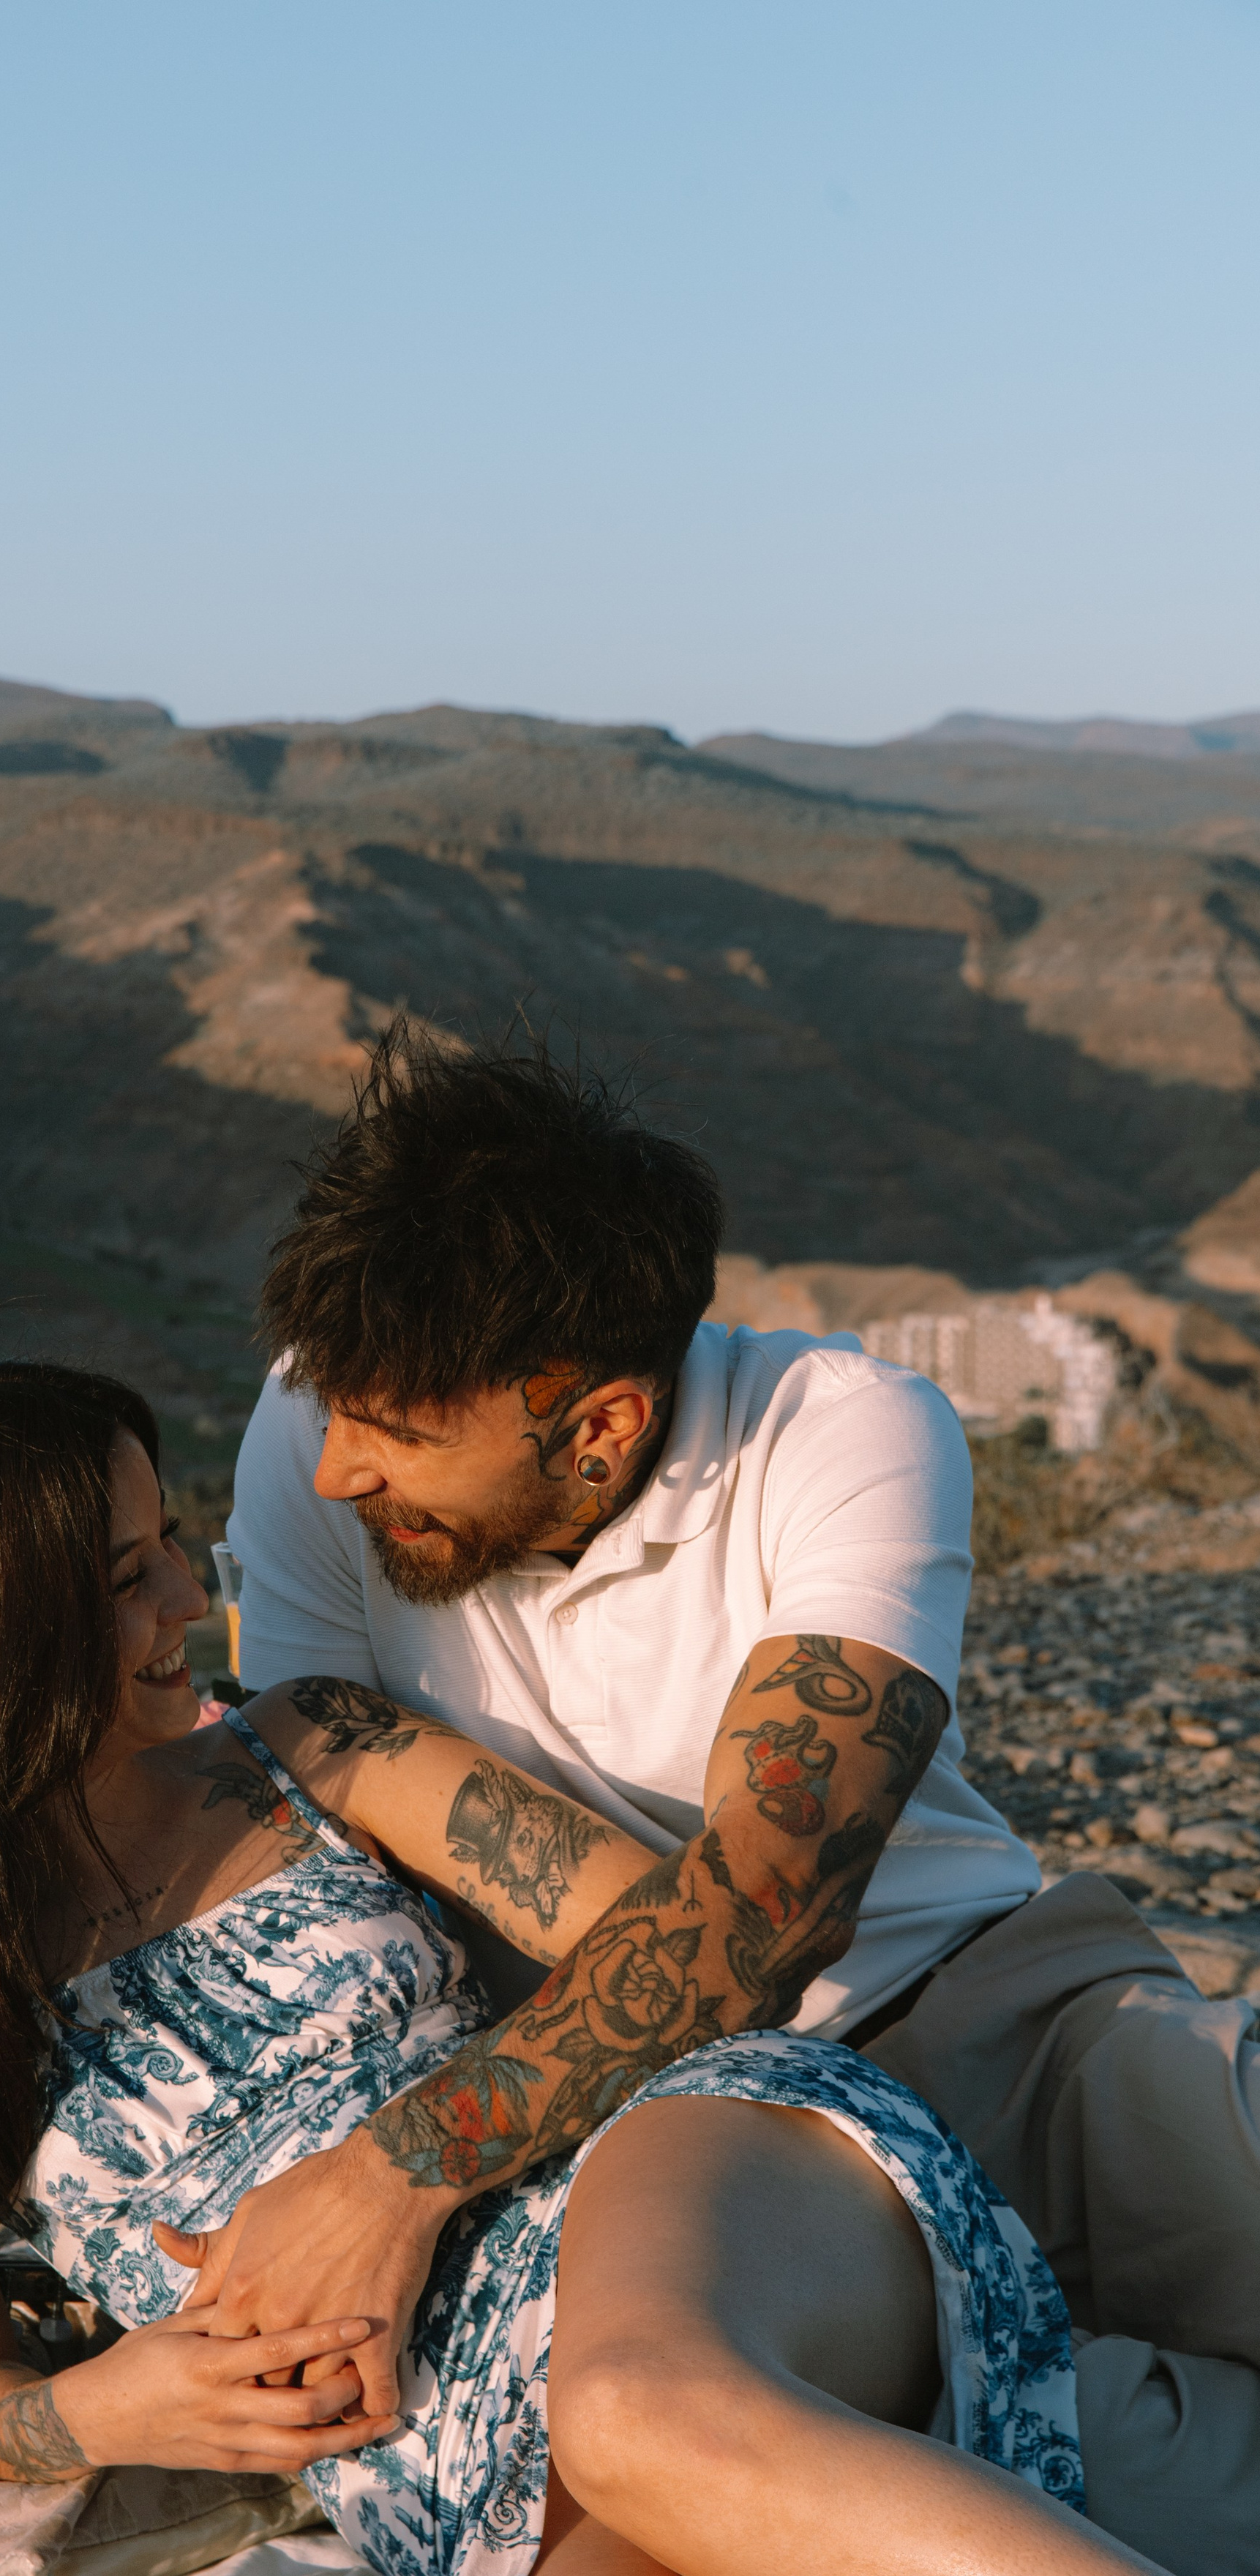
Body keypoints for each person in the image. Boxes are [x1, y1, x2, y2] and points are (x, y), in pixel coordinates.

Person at [0, 1361, 1157, 2576]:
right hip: (452, 2478)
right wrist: (96, 2406)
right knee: (627, 2465)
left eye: (174, 1543)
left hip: (680, 2196)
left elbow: (685, 1951)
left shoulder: (312, 1744)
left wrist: (397, 2167)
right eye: (129, 1578)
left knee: (638, 2404)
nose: (188, 1600)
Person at [215, 1026, 1260, 2575]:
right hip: (687, 2136)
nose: (337, 1474)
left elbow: (766, 1903)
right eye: (336, 1414)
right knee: (991, 2457)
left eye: (397, 1434)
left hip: (1002, 2022)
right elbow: (303, 1792)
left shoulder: (839, 1427)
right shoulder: (315, 1421)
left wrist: (393, 2172)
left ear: (601, 1423)